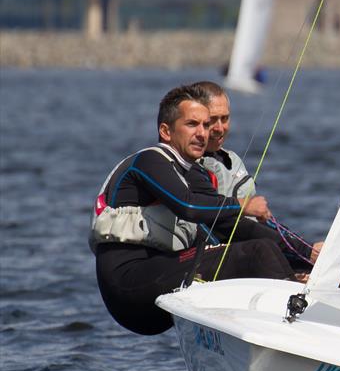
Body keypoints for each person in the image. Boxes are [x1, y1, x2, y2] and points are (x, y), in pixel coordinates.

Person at [90, 84, 300, 336]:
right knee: (257, 253)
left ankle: (292, 303)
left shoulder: (193, 173)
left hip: (161, 277)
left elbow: (232, 228)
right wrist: (243, 205)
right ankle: (296, 329)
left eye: (205, 125)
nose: (203, 133)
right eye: (192, 124)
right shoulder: (149, 161)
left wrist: (306, 255)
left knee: (260, 252)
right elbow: (188, 206)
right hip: (129, 286)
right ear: (166, 131)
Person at [192, 80, 322, 269]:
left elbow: (260, 224)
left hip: (250, 249)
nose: (220, 128)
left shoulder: (231, 161)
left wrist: (306, 250)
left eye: (225, 118)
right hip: (215, 260)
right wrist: (305, 253)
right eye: (213, 120)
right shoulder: (188, 166)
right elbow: (223, 225)